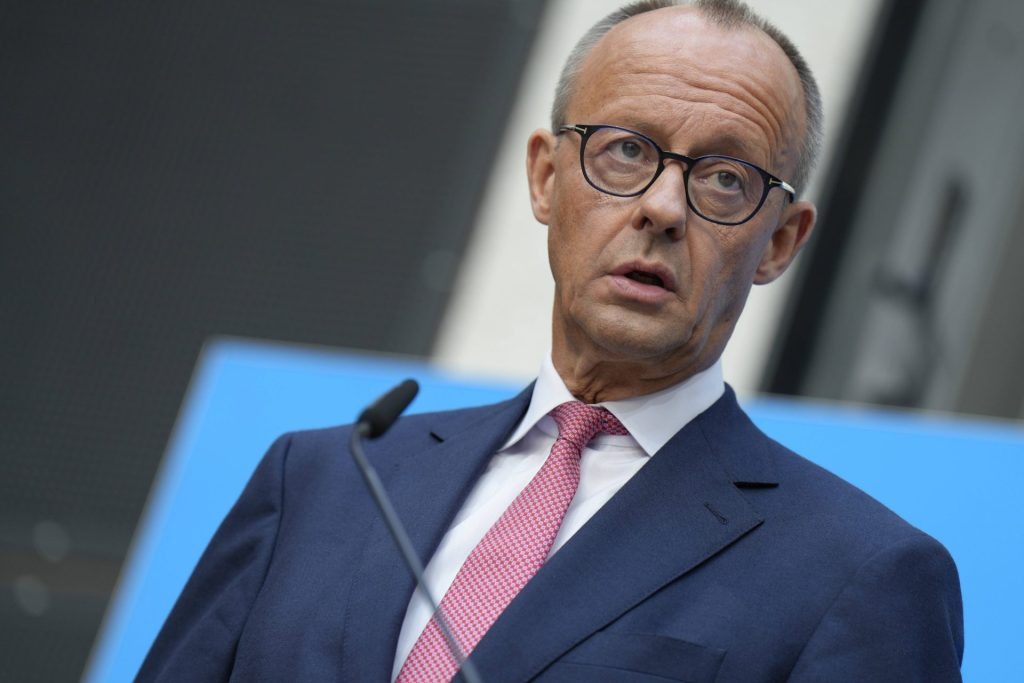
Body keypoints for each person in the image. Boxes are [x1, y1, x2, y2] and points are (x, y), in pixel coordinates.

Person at [138, 1, 964, 681]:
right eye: (626, 150)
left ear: (780, 242)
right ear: (545, 177)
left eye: (724, 178)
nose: (662, 208)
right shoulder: (325, 480)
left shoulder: (860, 575)